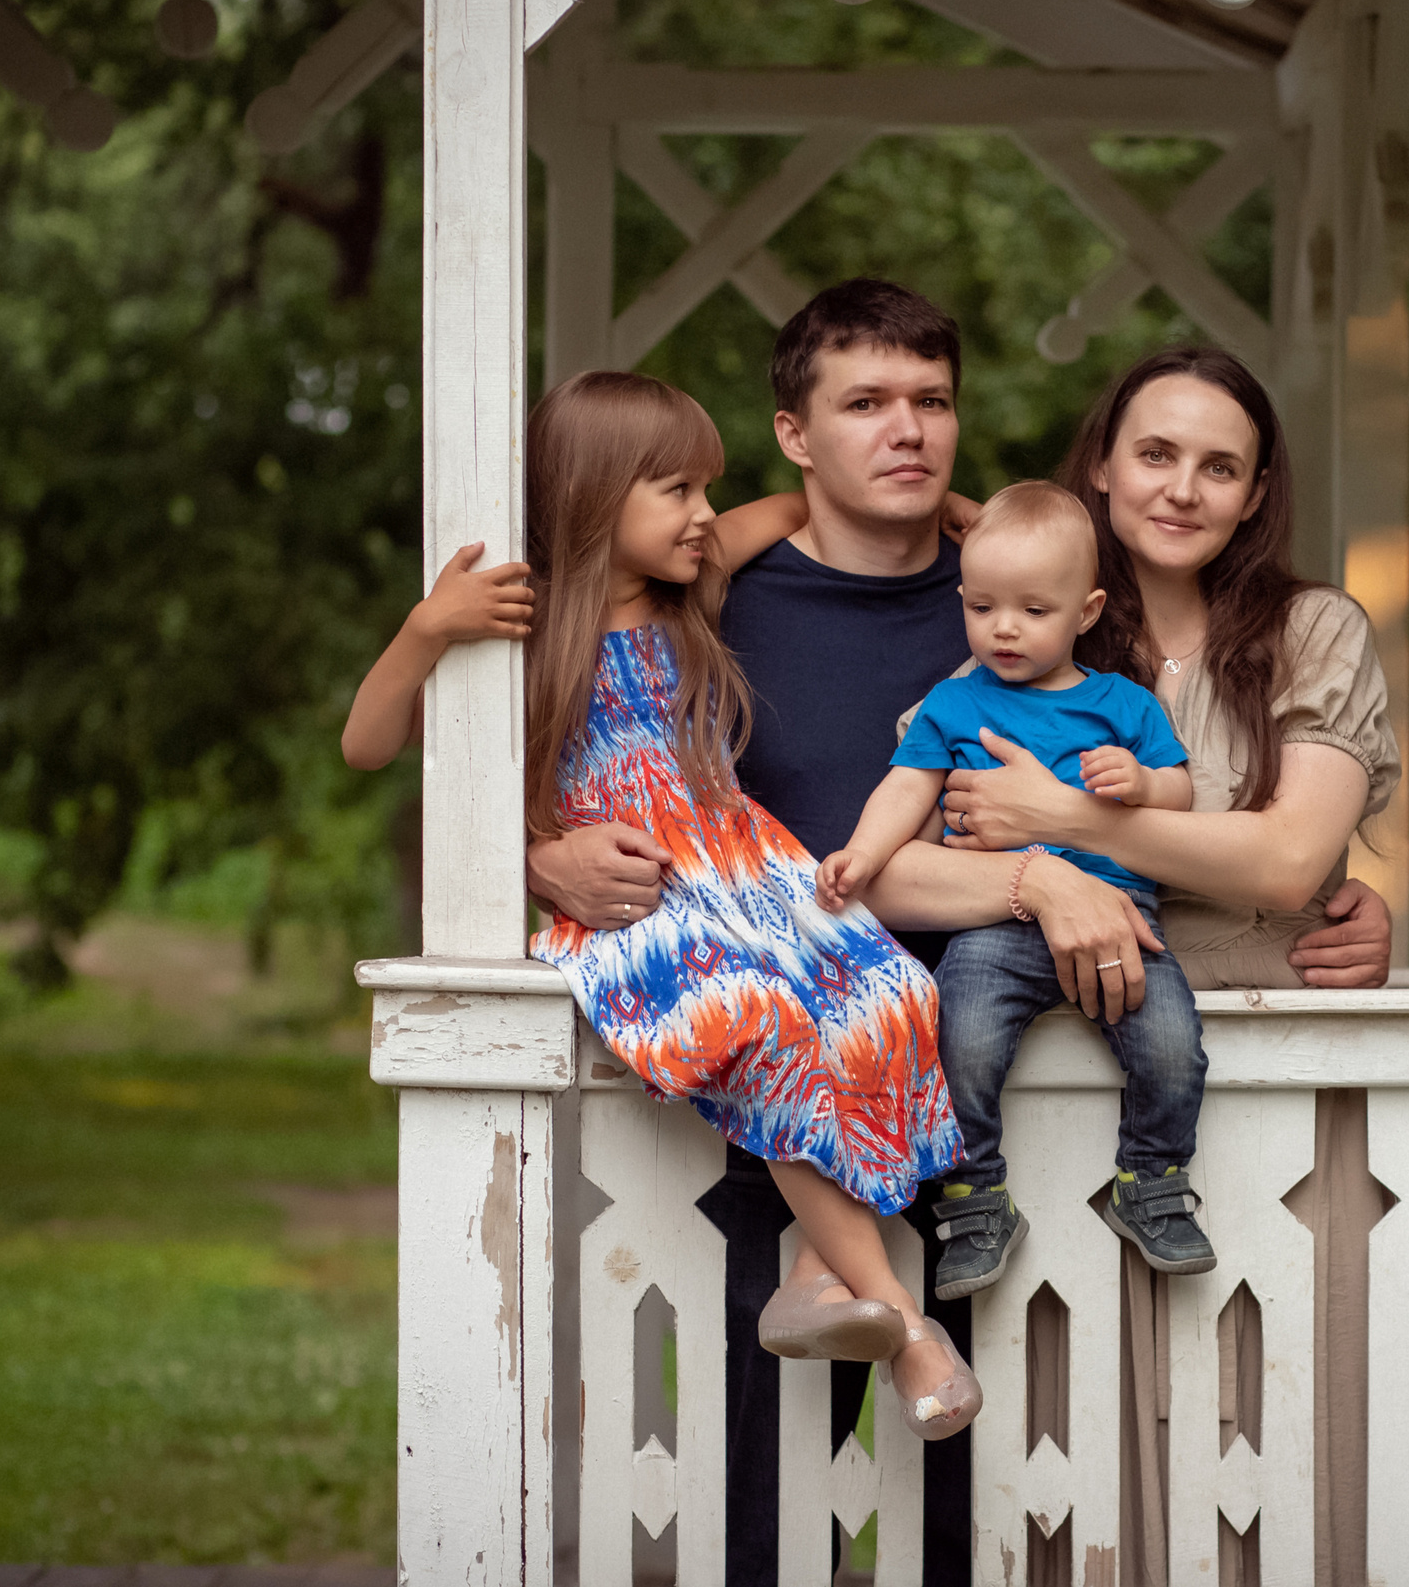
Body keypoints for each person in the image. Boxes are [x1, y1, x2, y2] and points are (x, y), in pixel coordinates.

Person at [521, 283, 1397, 1584]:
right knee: (767, 1505)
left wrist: (1337, 895)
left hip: (1003, 1099)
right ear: (795, 433)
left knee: (993, 1507)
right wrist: (535, 854)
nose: (908, 431)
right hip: (792, 1097)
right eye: (865, 404)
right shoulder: (717, 596)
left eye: (932, 402)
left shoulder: (1017, 600)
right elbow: (557, 743)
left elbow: (1192, 793)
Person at [341, 368, 980, 1441]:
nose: (702, 516)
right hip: (643, 903)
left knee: (895, 992)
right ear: (597, 498)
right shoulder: (526, 620)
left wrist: (965, 512)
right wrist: (426, 630)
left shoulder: (693, 588)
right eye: (676, 491)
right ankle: (909, 1324)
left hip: (744, 865)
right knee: (761, 1022)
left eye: (703, 491)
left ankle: (822, 1277)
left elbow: (787, 508)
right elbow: (367, 745)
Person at [929, 344, 1403, 1580]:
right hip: (1058, 1070)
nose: (1182, 487)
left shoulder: (1311, 631)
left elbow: (1298, 863)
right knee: (1058, 1443)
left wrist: (1064, 820)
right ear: (1100, 466)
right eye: (1154, 453)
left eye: (1219, 466)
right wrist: (1190, 857)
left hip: (1269, 1082)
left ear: (1256, 494)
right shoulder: (1036, 625)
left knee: (1267, 1421)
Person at [818, 481, 1215, 1301]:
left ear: (1087, 609)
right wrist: (861, 852)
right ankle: (975, 1198)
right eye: (984, 605)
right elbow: (906, 786)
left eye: (1034, 610)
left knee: (1174, 1045)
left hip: (1123, 915)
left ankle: (1153, 1179)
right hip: (997, 918)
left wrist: (1140, 782)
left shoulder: (1122, 704)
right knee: (956, 1034)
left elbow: (1182, 793)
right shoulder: (955, 701)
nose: (1004, 628)